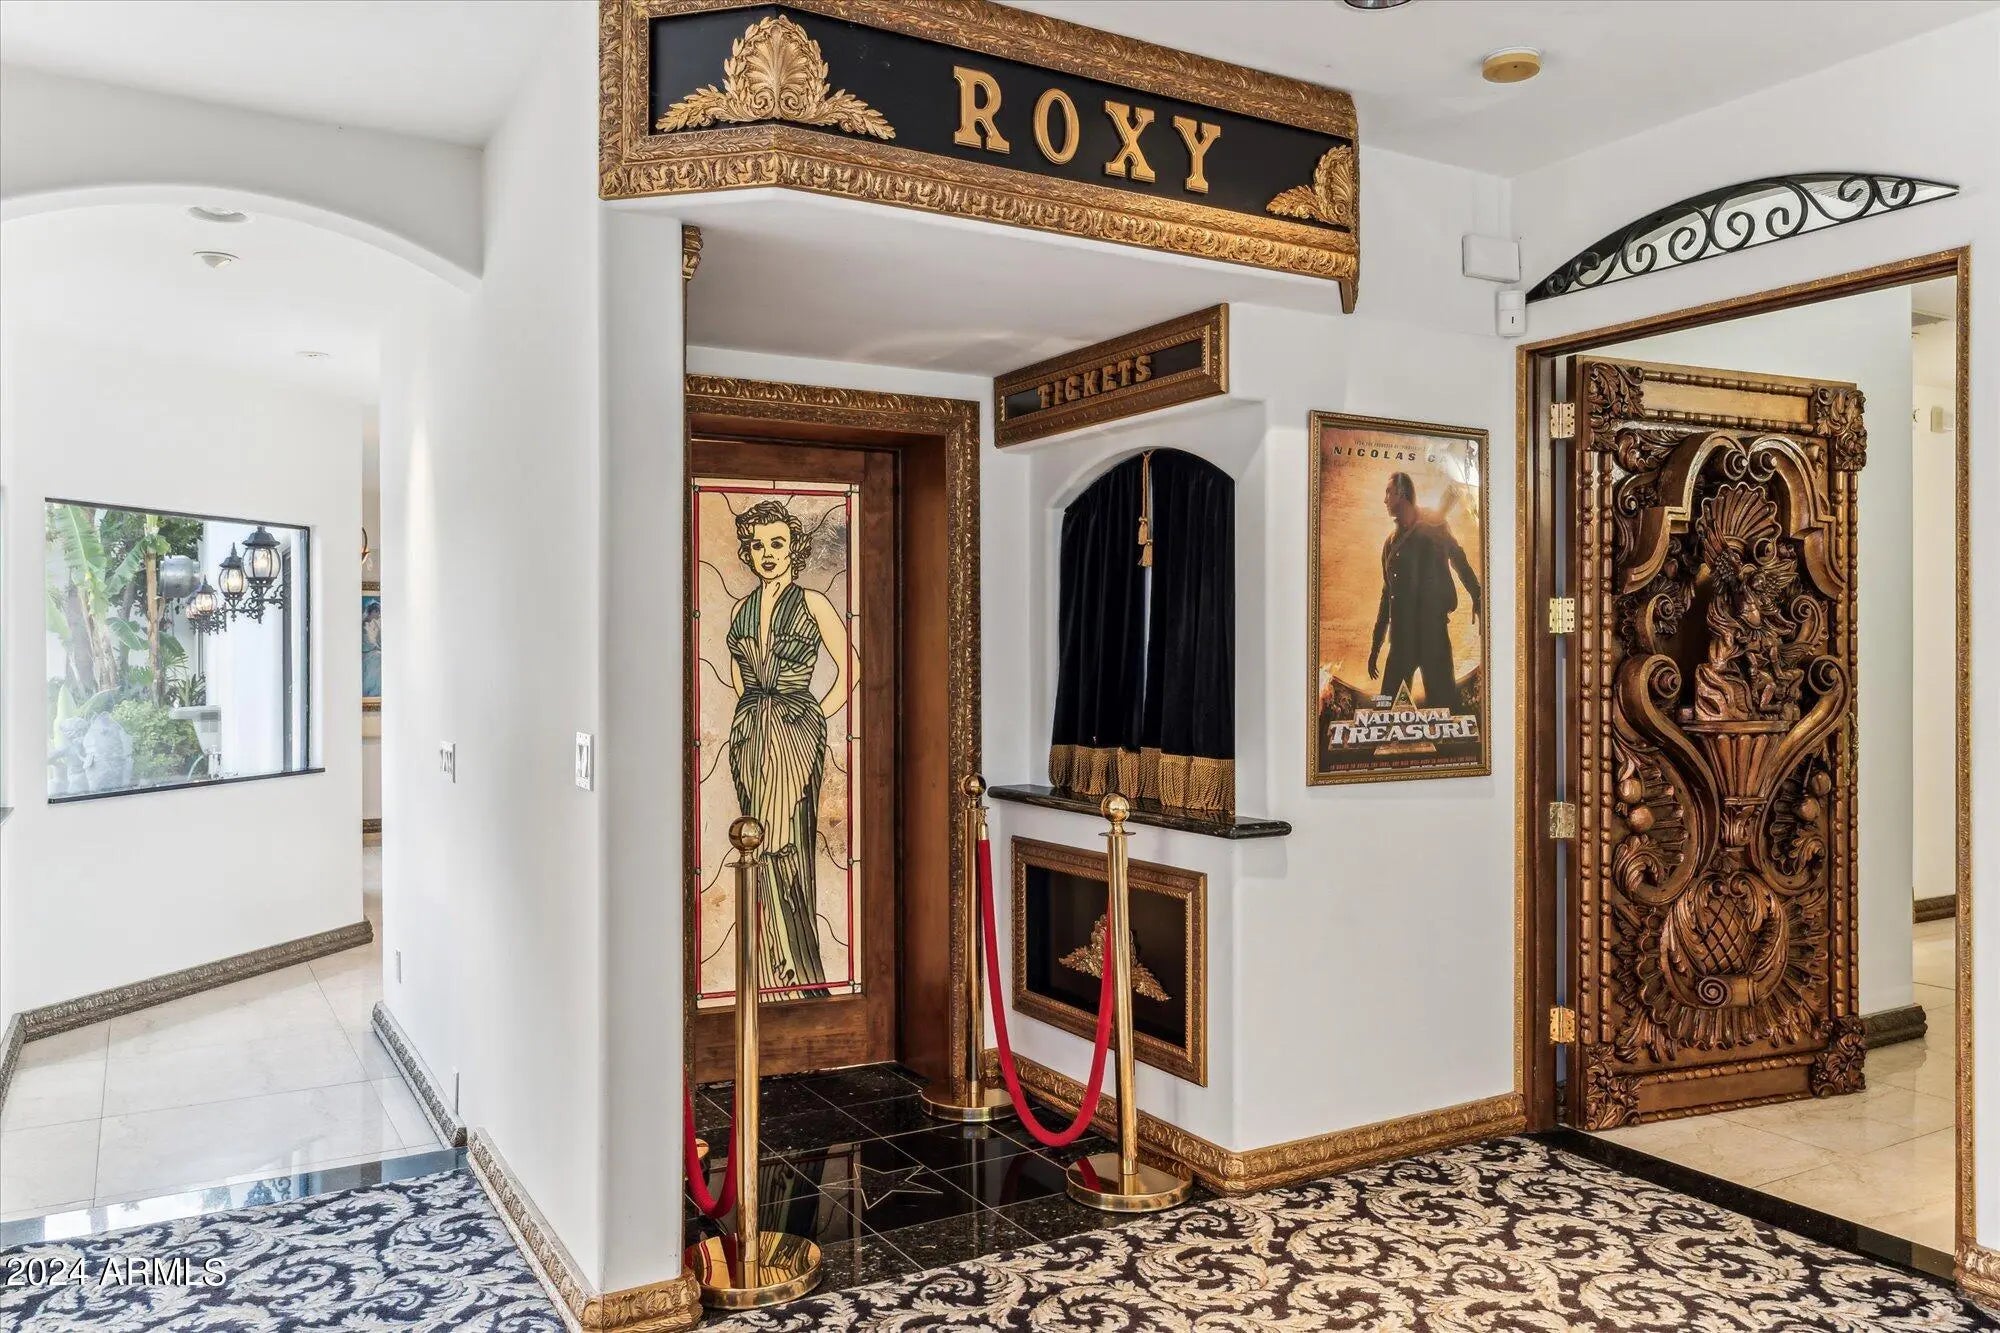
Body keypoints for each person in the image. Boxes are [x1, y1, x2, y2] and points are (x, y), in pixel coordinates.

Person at [726, 499, 853, 999]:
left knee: (787, 847)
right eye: (758, 545)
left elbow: (851, 667)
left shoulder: (813, 602)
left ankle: (802, 978)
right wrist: (754, 717)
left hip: (796, 733)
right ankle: (767, 980)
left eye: (777, 543)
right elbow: (739, 676)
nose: (767, 553)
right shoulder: (741, 609)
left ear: (793, 548)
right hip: (750, 736)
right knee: (755, 843)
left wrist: (812, 713)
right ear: (748, 551)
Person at [1367, 471, 1481, 713]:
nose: (1385, 499)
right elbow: (1386, 597)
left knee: (1446, 713)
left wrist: (1477, 594)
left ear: (1401, 493)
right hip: (1401, 640)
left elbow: (1458, 558)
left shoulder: (1435, 524)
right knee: (1386, 715)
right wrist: (1376, 645)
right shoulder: (1389, 545)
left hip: (1433, 635)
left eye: (1388, 493)